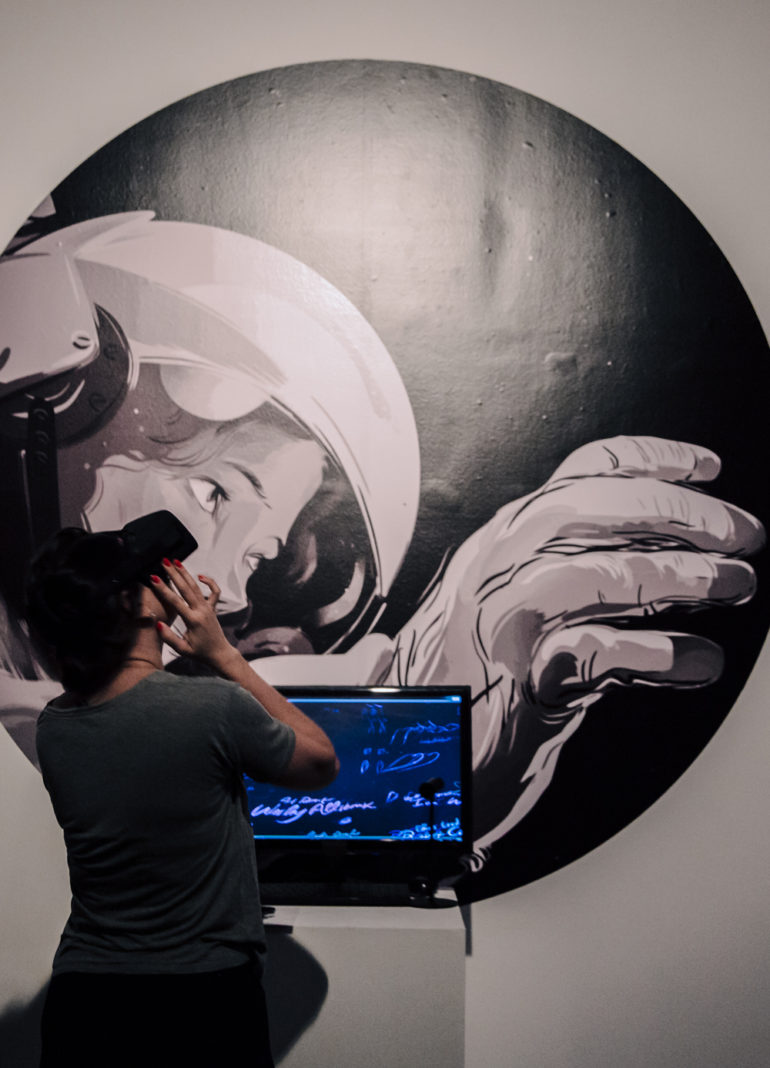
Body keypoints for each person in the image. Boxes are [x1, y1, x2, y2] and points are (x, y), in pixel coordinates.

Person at [1, 213, 765, 859]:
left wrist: (446, 740)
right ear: (43, 413)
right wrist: (417, 757)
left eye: (258, 558)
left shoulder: (117, 721)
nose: (226, 590)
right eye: (212, 491)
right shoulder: (79, 724)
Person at [25, 519, 339, 1067]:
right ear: (135, 606)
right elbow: (320, 763)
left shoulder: (54, 725)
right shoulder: (213, 707)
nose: (174, 581)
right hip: (200, 1000)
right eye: (154, 576)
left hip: (85, 1001)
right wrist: (225, 656)